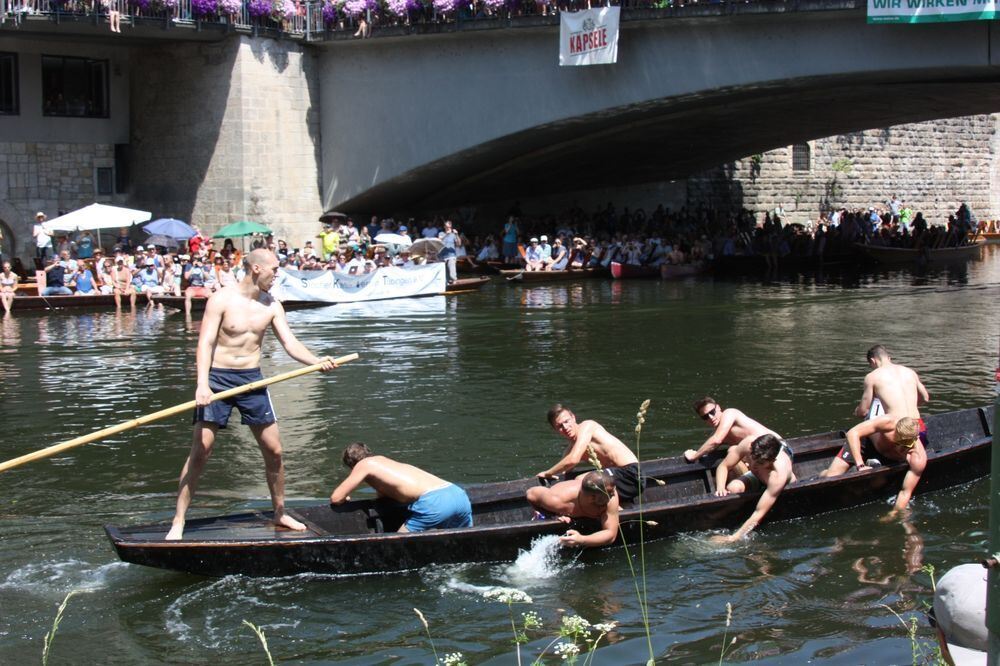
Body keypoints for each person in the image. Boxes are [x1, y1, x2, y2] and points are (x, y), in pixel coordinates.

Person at [166, 249, 338, 540]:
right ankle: (179, 520)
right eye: (275, 268)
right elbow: (205, 343)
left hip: (251, 381)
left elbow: (290, 344)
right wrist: (202, 385)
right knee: (202, 450)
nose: (278, 274)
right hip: (218, 380)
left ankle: (280, 512)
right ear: (256, 268)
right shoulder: (221, 299)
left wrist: (316, 361)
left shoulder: (272, 305)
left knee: (275, 450)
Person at [330, 442, 473, 532]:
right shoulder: (386, 462)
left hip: (434, 502)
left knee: (398, 543)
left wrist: (343, 498)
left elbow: (336, 498)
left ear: (351, 465)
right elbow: (386, 496)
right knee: (466, 541)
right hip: (458, 494)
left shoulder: (364, 464)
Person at [538, 404, 645, 502]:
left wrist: (548, 473)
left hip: (632, 475)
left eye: (566, 421)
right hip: (614, 481)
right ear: (555, 430)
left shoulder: (587, 426)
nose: (565, 427)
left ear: (573, 418)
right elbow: (564, 472)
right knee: (571, 482)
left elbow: (573, 460)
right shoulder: (571, 449)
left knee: (582, 480)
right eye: (560, 426)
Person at [822, 415, 927, 513]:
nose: (903, 448)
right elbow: (852, 433)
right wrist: (860, 465)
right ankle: (823, 474)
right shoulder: (887, 422)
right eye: (899, 443)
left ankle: (871, 469)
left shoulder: (917, 458)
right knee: (831, 477)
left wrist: (894, 513)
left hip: (887, 459)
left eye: (907, 446)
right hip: (865, 444)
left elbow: (906, 492)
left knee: (873, 486)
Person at [710, 434, 796, 543]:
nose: (754, 464)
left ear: (772, 461)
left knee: (786, 485)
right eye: (753, 458)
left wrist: (733, 538)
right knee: (733, 488)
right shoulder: (749, 443)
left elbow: (759, 513)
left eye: (760, 462)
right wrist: (720, 488)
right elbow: (724, 466)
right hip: (760, 477)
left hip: (777, 484)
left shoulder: (778, 475)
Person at [684, 397, 782, 482]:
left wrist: (694, 456)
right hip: (761, 459)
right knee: (732, 453)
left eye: (712, 412)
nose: (711, 417)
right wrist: (697, 453)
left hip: (778, 448)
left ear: (718, 407)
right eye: (705, 417)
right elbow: (710, 447)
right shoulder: (719, 434)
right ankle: (748, 486)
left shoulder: (729, 413)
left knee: (732, 450)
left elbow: (716, 440)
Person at [526, 470, 620, 548]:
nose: (613, 495)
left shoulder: (612, 497)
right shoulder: (557, 501)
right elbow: (530, 493)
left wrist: (582, 540)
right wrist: (551, 515)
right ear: (592, 498)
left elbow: (610, 535)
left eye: (613, 491)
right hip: (564, 496)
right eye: (609, 493)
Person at [852, 344, 929, 422]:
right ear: (889, 358)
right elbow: (925, 398)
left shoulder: (872, 377)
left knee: (854, 433)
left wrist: (857, 411)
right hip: (917, 426)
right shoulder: (910, 372)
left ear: (873, 361)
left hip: (897, 428)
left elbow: (863, 412)